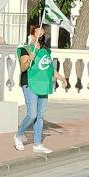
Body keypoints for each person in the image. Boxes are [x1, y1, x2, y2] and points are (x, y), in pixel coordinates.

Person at [14, 24, 65, 154]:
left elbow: (49, 69)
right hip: (30, 83)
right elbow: (23, 68)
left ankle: (37, 143)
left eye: (43, 33)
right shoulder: (25, 49)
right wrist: (29, 59)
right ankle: (19, 135)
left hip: (44, 84)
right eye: (39, 33)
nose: (42, 36)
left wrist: (61, 78)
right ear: (32, 36)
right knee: (32, 114)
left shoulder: (46, 51)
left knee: (40, 116)